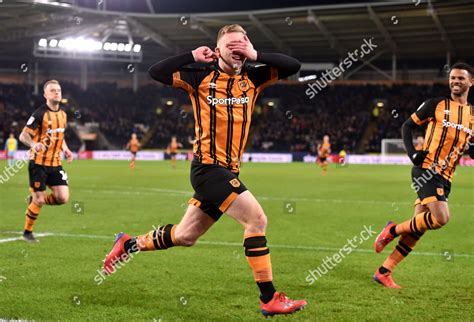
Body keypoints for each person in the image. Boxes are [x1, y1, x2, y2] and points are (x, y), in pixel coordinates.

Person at [103, 24, 306, 316]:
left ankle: (128, 244)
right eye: (232, 45)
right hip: (208, 169)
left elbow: (293, 66)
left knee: (185, 236)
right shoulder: (199, 77)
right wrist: (191, 56)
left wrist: (256, 53)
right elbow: (156, 72)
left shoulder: (254, 77)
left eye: (243, 44)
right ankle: (269, 299)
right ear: (218, 50)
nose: (238, 49)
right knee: (257, 219)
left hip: (229, 172)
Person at [373, 62, 474, 288]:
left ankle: (384, 271)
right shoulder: (435, 104)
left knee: (418, 227)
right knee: (441, 218)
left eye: (460, 78)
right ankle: (391, 230)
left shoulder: (472, 115)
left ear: (471, 82)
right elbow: (407, 126)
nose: (455, 81)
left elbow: (469, 146)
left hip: (447, 176)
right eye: (453, 78)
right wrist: (413, 155)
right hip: (427, 170)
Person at [19, 79, 73, 242]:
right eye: (53, 90)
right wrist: (34, 144)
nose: (57, 92)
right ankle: (27, 232)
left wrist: (66, 148)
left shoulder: (63, 114)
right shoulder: (39, 114)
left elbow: (59, 135)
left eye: (59, 90)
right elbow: (23, 135)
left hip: (56, 164)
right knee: (40, 200)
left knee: (62, 198)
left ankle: (34, 199)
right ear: (45, 95)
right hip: (39, 164)